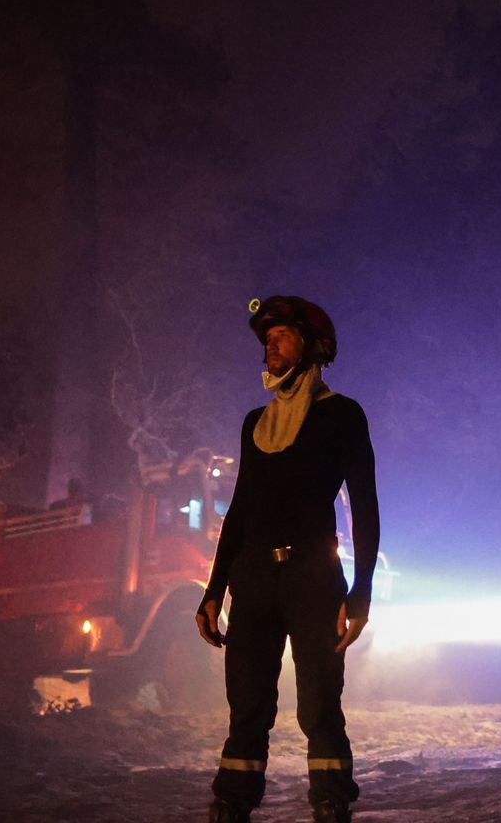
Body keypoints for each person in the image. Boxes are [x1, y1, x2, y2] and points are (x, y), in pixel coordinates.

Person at [196, 295, 381, 823]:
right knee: (247, 706)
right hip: (254, 578)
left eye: (281, 336)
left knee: (320, 706)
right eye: (267, 338)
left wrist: (361, 590)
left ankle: (329, 804)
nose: (269, 347)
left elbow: (364, 505)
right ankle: (231, 805)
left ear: (311, 346)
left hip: (312, 578)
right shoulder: (256, 423)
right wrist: (214, 591)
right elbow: (239, 511)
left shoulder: (341, 415)